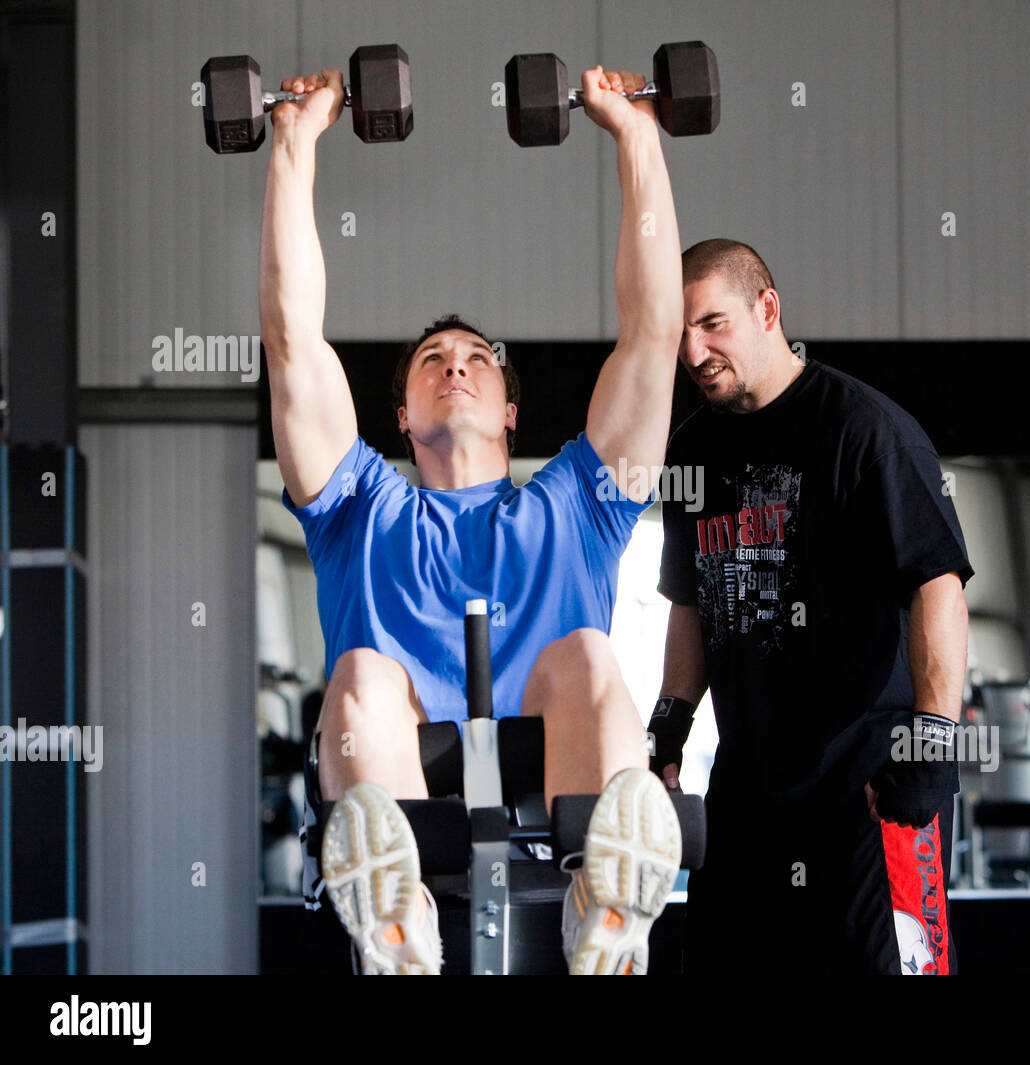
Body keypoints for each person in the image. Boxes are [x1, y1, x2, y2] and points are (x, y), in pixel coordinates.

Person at [260, 62, 685, 974]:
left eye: (477, 359)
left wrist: (638, 135)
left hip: (552, 744)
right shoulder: (356, 507)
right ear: (402, 419)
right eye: (430, 360)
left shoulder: (579, 504)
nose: (455, 365)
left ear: (510, 412)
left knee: (587, 652)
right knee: (362, 671)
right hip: (397, 768)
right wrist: (293, 147)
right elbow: (293, 340)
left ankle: (604, 906)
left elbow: (654, 335)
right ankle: (396, 916)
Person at [652, 239, 974, 974]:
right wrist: (669, 722)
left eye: (712, 323)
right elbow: (692, 601)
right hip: (749, 791)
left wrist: (933, 740)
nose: (694, 349)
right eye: (679, 331)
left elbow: (938, 584)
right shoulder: (691, 451)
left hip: (872, 788)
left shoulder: (864, 428)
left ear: (768, 309)